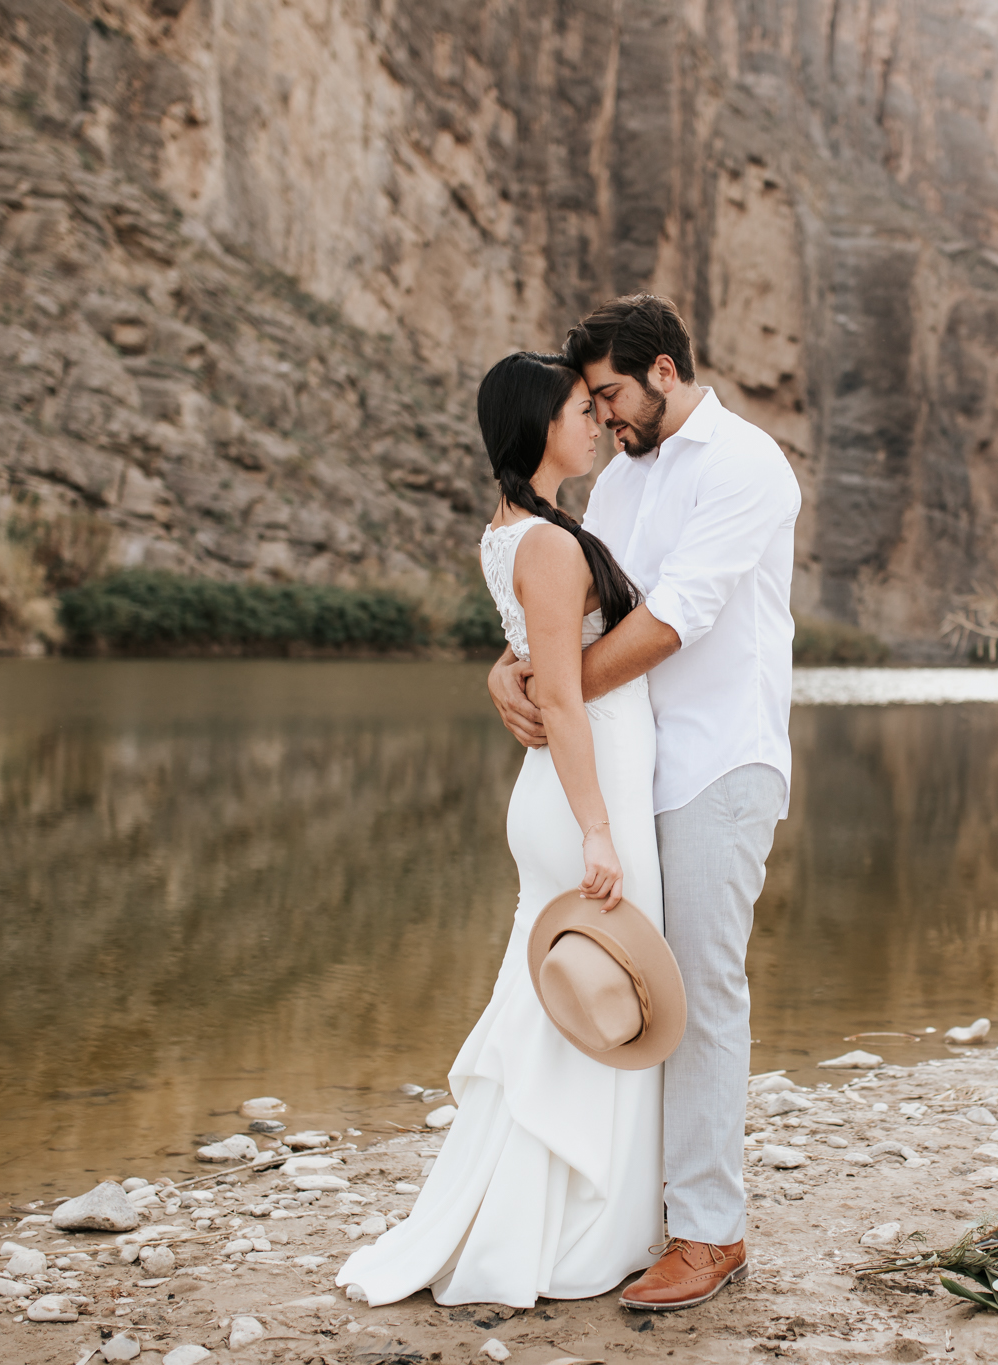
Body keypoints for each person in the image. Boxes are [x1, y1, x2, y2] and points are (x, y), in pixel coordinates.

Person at [489, 294, 801, 1311]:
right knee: (625, 989)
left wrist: (556, 684)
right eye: (591, 402)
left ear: (663, 371)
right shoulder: (619, 480)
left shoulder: (747, 466)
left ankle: (710, 1233)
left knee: (700, 992)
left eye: (612, 393)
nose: (605, 417)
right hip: (629, 773)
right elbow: (573, 606)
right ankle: (626, 1218)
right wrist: (510, 669)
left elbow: (671, 621)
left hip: (715, 765)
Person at [336, 351, 666, 1309]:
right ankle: (553, 1232)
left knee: (562, 1001)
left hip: (568, 790)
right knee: (576, 998)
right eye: (578, 407)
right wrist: (599, 830)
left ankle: (569, 1218)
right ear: (538, 426)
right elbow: (562, 698)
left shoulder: (523, 531)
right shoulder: (552, 544)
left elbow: (536, 661)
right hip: (581, 793)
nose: (598, 420)